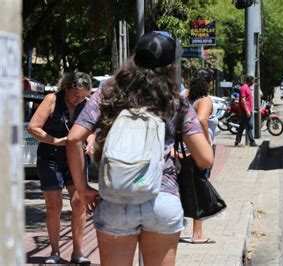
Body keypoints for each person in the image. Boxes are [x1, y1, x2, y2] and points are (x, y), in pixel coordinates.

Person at [66, 31, 214, 265]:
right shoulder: (175, 100)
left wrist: (83, 189)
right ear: (169, 66)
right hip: (161, 197)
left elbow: (74, 139)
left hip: (115, 197)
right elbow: (205, 158)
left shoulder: (108, 93)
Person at [27, 72, 93, 264]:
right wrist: (55, 141)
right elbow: (33, 127)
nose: (78, 99)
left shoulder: (86, 104)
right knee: (54, 206)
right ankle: (55, 252)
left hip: (76, 157)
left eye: (82, 96)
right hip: (50, 157)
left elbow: (91, 130)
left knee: (79, 202)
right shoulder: (51, 100)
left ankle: (78, 252)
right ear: (66, 88)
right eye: (75, 94)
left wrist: (90, 142)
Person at [187, 70, 218, 244]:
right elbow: (202, 120)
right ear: (209, 83)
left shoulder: (189, 99)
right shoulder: (205, 100)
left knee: (190, 187)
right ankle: (197, 234)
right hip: (198, 150)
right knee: (200, 188)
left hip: (186, 149)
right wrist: (205, 142)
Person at [235, 75, 258, 147]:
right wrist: (247, 111)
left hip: (248, 111)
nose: (254, 82)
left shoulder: (247, 88)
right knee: (243, 126)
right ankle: (238, 142)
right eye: (253, 81)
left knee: (249, 126)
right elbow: (243, 100)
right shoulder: (244, 88)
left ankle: (252, 142)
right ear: (250, 81)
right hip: (245, 111)